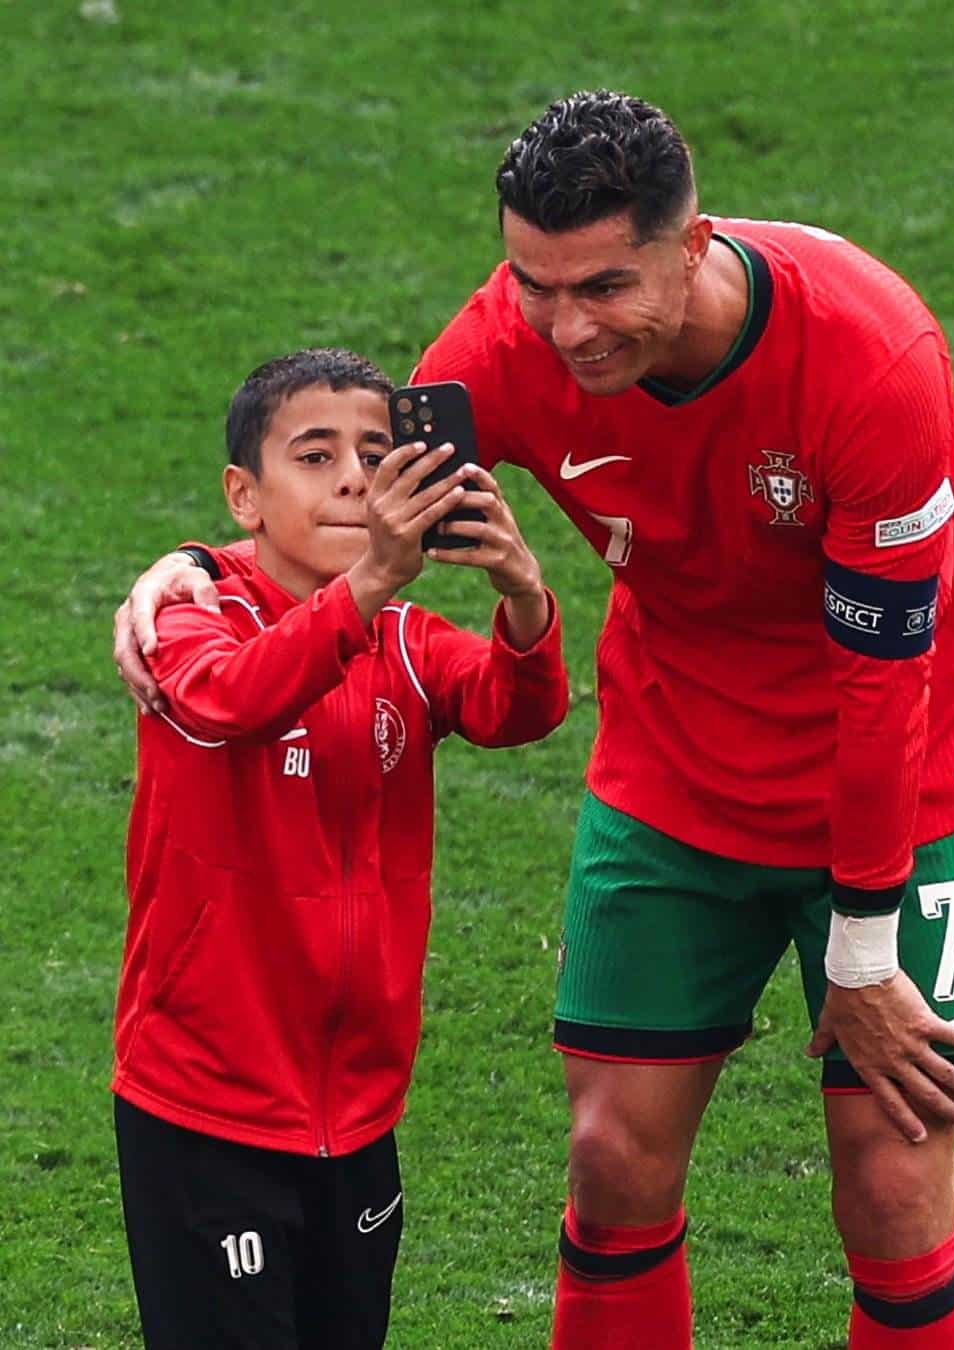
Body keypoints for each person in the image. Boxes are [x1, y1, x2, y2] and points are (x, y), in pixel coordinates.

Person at [114, 93, 954, 1349]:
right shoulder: (503, 346)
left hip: (898, 784)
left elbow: (881, 682)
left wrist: (862, 947)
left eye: (603, 286)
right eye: (534, 283)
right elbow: (351, 493)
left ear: (694, 246)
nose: (567, 328)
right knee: (611, 1163)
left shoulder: (871, 357)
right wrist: (194, 570)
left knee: (892, 1178)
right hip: (673, 782)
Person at [112, 347, 568, 1349]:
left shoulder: (404, 639)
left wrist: (523, 591)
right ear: (244, 494)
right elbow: (234, 697)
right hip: (206, 1110)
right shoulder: (188, 618)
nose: (356, 479)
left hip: (357, 1109)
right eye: (315, 457)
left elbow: (516, 704)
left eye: (376, 451)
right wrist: (367, 582)